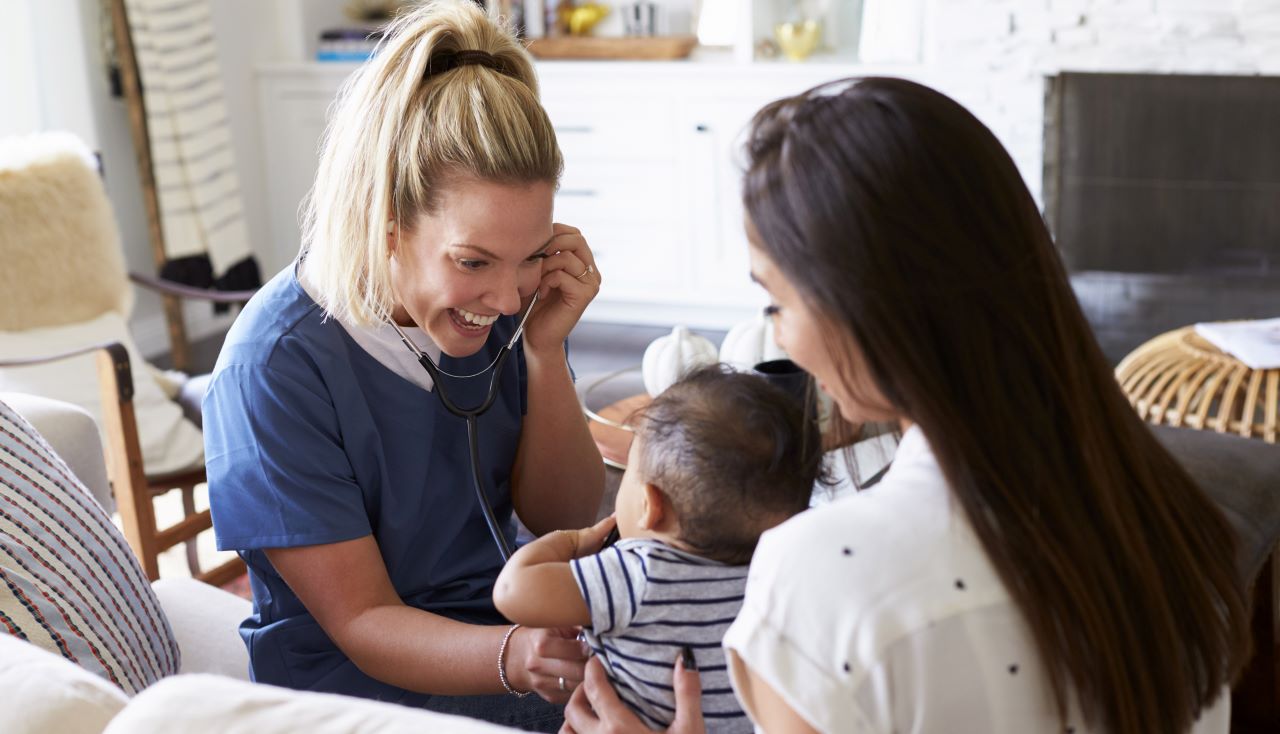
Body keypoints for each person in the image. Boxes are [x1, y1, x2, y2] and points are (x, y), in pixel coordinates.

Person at [563, 77, 1251, 734]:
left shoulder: (819, 572)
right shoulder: (1171, 523)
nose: (778, 336)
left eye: (777, 301)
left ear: (860, 310)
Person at [202, 2, 604, 730]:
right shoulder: (276, 366)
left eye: (530, 256)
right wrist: (519, 657)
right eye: (474, 261)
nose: (507, 294)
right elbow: (363, 622)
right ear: (383, 219)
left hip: (502, 626)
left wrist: (545, 356)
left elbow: (565, 515)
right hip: (352, 684)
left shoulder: (511, 308)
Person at [492, 365, 824, 732]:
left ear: (651, 504)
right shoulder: (782, 581)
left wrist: (571, 540)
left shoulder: (639, 572)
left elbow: (512, 592)